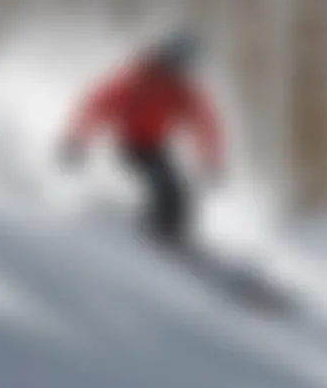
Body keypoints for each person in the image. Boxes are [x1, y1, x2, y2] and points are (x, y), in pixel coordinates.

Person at [58, 30, 225, 247]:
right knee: (165, 186)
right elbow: (99, 104)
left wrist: (211, 158)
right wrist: (77, 139)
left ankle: (172, 234)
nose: (183, 69)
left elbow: (204, 123)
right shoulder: (139, 79)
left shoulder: (181, 90)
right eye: (181, 62)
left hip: (155, 146)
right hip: (131, 144)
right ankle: (155, 232)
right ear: (169, 56)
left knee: (180, 193)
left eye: (187, 64)